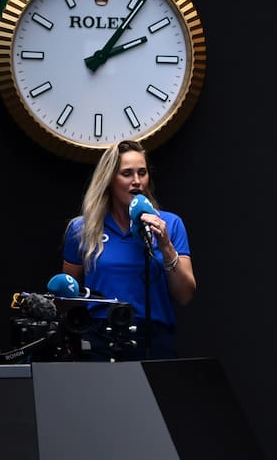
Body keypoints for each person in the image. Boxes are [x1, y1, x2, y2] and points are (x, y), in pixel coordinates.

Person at [60, 139, 196, 361]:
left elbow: (185, 295)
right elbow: (67, 298)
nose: (137, 181)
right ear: (110, 179)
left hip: (154, 338)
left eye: (142, 173)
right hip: (99, 339)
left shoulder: (170, 224)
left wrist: (165, 246)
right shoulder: (82, 229)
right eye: (127, 174)